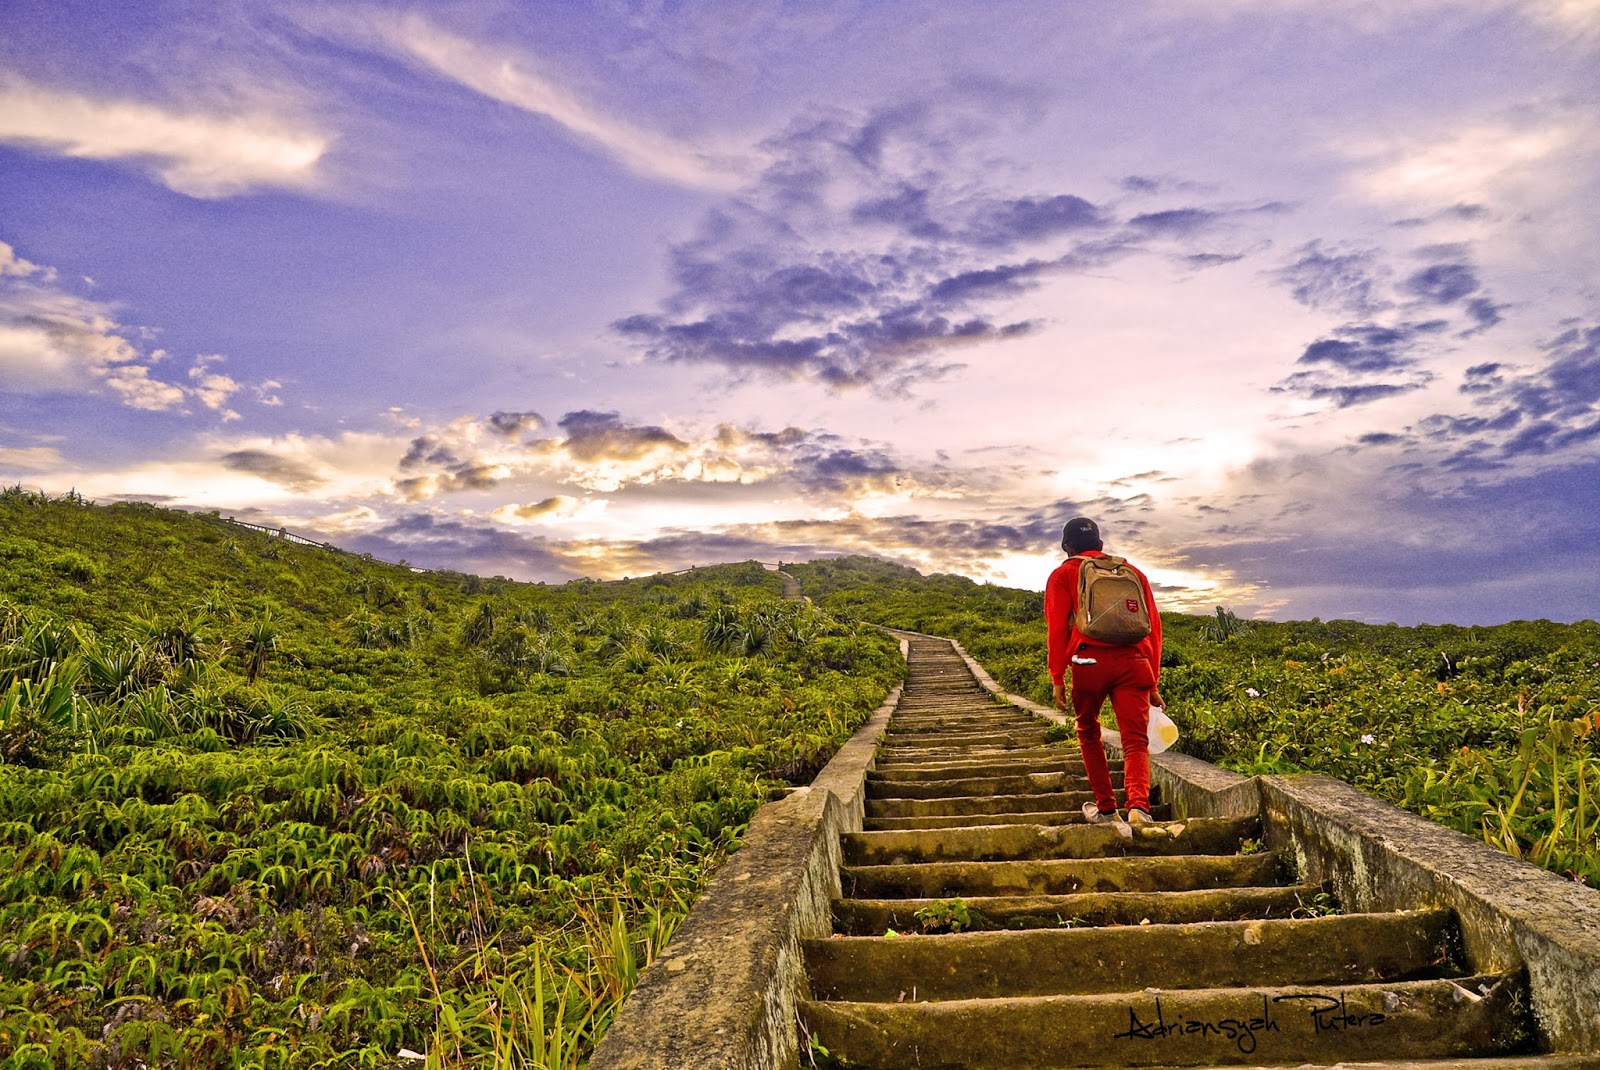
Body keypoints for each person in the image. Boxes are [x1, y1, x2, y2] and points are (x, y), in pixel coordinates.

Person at [1044, 517, 1164, 829]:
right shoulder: (1133, 573)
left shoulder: (1064, 573)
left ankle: (1107, 810)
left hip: (1088, 664)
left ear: (1068, 547)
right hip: (1135, 663)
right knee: (1136, 741)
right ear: (1099, 544)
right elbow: (1153, 630)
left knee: (1088, 731)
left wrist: (1057, 676)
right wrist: (1153, 682)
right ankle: (1139, 808)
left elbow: (1057, 630)